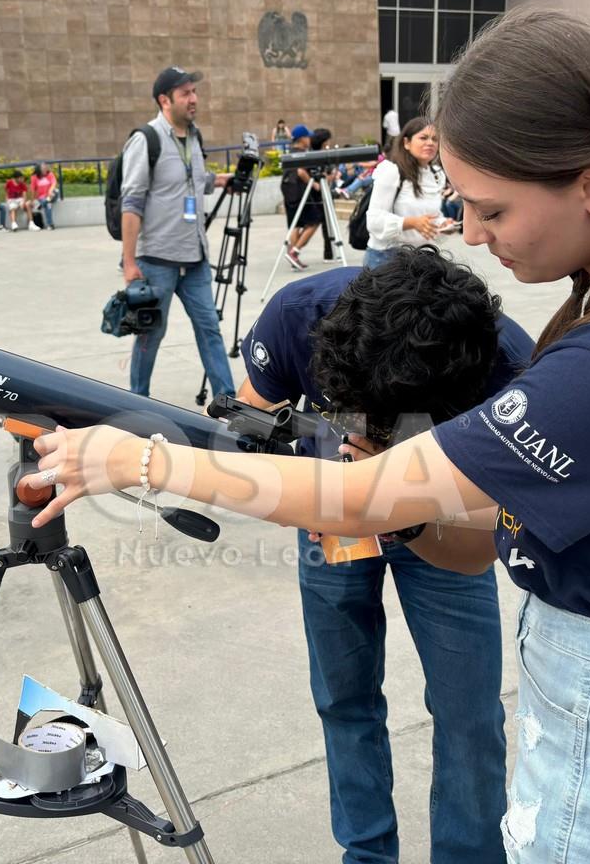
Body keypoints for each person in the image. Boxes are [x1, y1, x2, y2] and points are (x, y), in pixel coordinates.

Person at [29, 8, 590, 864]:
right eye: (462, 204)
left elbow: (363, 497)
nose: (471, 234)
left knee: (466, 715)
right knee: (346, 698)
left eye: (493, 208)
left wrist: (138, 458)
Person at [239, 246, 532, 863]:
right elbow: (249, 422)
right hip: (331, 511)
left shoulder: (503, 361)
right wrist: (320, 482)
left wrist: (414, 510)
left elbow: (502, 519)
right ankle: (367, 855)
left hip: (450, 518)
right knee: (343, 698)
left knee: (469, 712)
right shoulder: (298, 317)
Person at [119, 65, 236, 400]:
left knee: (209, 329)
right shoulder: (146, 140)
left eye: (194, 92)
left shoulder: (194, 136)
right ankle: (136, 401)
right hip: (157, 260)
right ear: (164, 100)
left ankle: (226, 402)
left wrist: (220, 180)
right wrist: (129, 262)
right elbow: (132, 202)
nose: (193, 98)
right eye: (185, 93)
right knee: (150, 334)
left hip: (195, 257)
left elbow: (193, 179)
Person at [365, 118, 457, 269]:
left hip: (422, 257)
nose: (430, 143)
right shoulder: (391, 170)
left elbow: (429, 217)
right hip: (387, 258)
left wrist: (443, 224)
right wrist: (412, 222)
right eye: (423, 138)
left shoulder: (436, 174)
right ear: (406, 143)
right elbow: (374, 221)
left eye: (435, 139)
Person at [281, 125, 333, 270]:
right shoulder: (302, 154)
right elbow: (301, 172)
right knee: (314, 221)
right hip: (299, 191)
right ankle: (294, 252)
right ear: (302, 139)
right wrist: (315, 185)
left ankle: (293, 257)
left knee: (295, 225)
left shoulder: (290, 152)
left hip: (287, 190)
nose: (309, 139)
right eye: (307, 137)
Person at [29, 162, 58, 230]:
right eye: (43, 168)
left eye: (45, 168)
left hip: (52, 195)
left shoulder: (50, 174)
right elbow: (33, 190)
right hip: (42, 197)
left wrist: (50, 191)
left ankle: (42, 204)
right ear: (39, 169)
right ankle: (50, 224)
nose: (45, 169)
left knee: (56, 191)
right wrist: (32, 200)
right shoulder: (34, 177)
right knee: (48, 204)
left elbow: (54, 183)